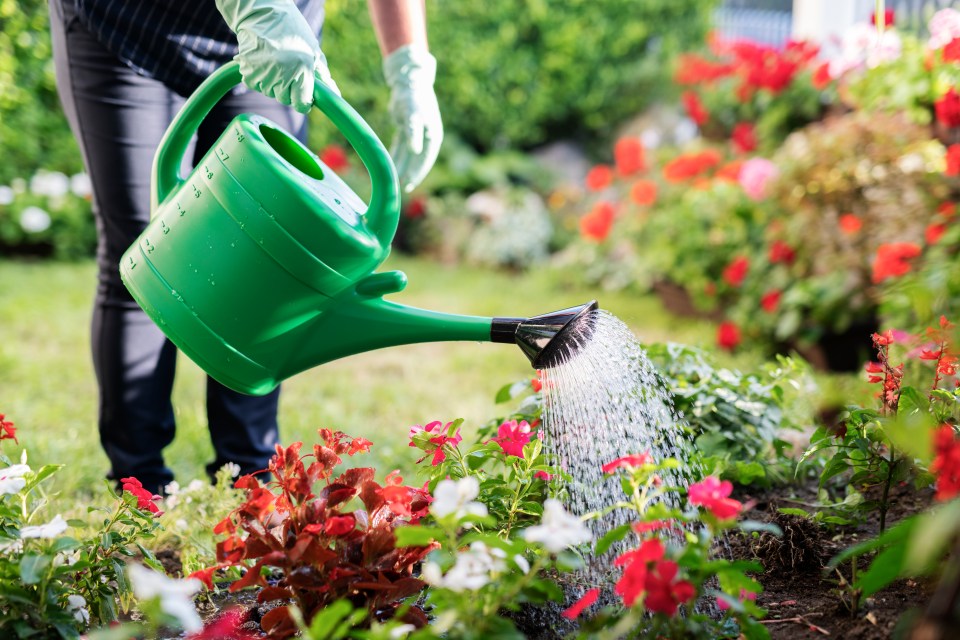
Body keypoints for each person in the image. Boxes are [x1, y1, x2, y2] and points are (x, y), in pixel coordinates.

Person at [48, 0, 443, 495]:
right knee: (146, 250)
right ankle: (138, 485)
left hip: (279, 31)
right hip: (127, 26)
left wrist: (409, 67)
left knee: (272, 257)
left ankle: (249, 477)